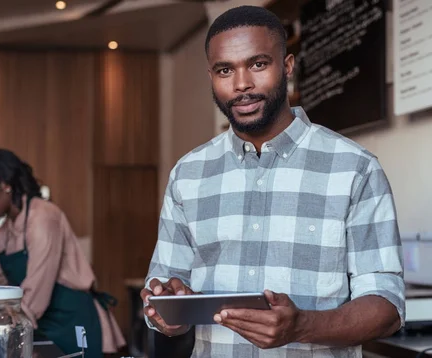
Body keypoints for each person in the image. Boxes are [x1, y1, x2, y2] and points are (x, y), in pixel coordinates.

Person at [142, 5, 404, 357]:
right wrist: (165, 310)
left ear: (288, 66)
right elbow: (164, 285)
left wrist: (304, 326)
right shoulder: (188, 174)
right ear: (211, 76)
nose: (241, 84)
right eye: (225, 70)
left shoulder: (355, 169)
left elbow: (386, 306)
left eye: (258, 64)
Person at [0, 148, 125, 357]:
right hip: (43, 324)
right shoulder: (7, 230)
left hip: (72, 323)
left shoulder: (43, 217)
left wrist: (5, 334)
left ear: (5, 184)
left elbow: (36, 292)